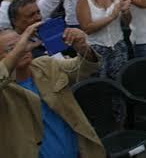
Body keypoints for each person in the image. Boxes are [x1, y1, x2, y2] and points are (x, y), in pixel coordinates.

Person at [0, 23, 106, 158]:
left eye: (23, 43)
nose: (23, 49)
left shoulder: (45, 65)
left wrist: (83, 47)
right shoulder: (5, 90)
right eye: (11, 49)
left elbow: (84, 68)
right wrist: (19, 48)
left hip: (78, 151)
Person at [75, 0, 130, 80]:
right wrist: (111, 17)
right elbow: (87, 28)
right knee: (101, 88)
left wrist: (126, 11)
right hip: (96, 50)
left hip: (118, 46)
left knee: (121, 84)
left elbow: (127, 22)